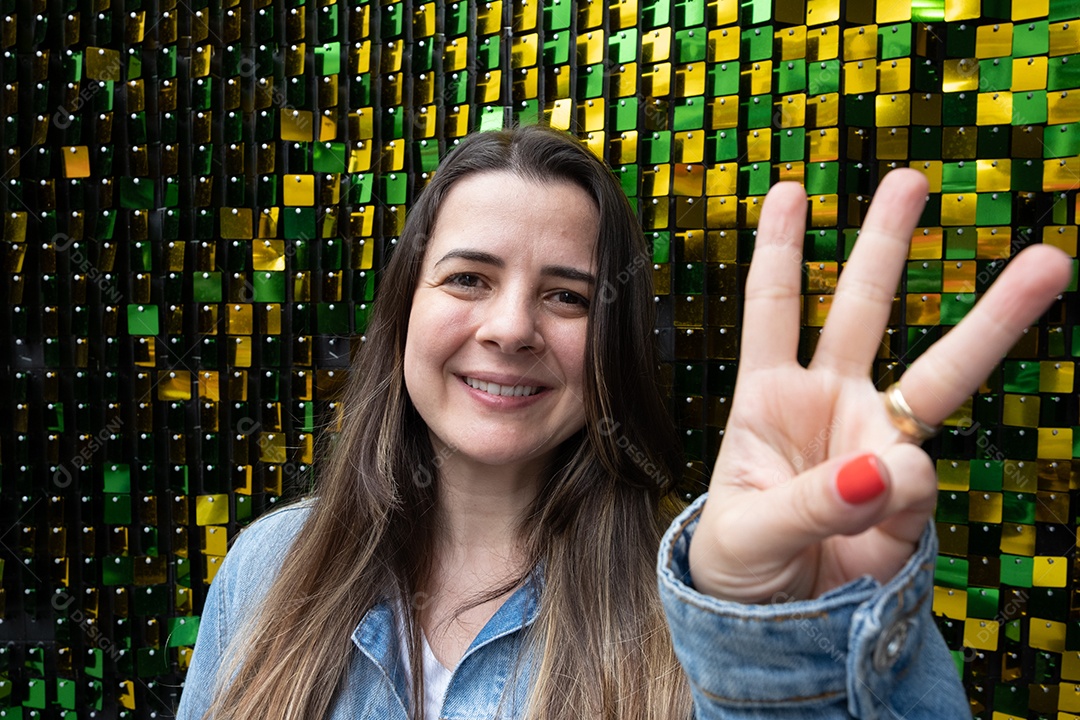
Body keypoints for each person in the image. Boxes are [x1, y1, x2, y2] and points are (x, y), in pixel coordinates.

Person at [175, 125, 1072, 720]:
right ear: (403, 309)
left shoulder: (696, 611)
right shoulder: (266, 570)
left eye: (565, 295)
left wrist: (791, 633)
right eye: (468, 279)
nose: (511, 328)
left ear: (610, 343)